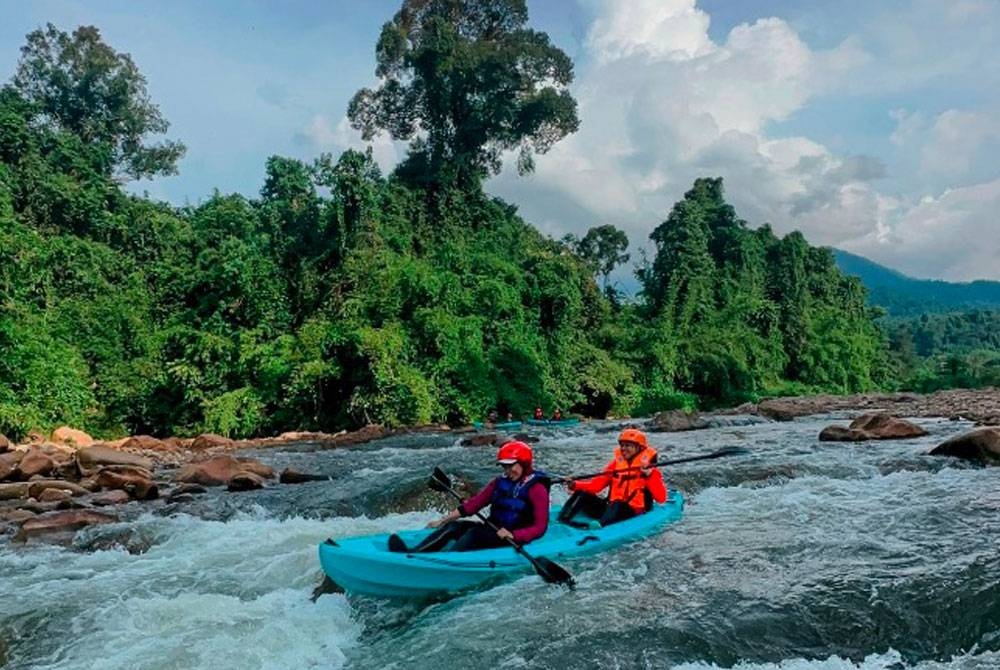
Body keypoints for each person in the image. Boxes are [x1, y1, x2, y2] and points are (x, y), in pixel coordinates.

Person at [388, 441, 551, 553]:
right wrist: (443, 520)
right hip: (493, 529)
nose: (507, 471)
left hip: (512, 536)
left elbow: (540, 527)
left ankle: (447, 563)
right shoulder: (499, 482)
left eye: (511, 466)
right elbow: (473, 505)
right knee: (454, 527)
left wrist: (515, 535)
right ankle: (414, 553)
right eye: (504, 467)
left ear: (523, 463)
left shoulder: (537, 489)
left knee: (474, 535)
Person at [558, 428, 666, 527]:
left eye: (628, 445)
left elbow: (661, 498)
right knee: (582, 493)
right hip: (611, 510)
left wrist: (649, 475)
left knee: (618, 503)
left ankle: (599, 526)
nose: (623, 449)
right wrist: (574, 484)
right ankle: (563, 519)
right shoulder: (615, 465)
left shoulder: (650, 471)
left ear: (639, 448)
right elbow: (596, 486)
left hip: (634, 512)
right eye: (622, 445)